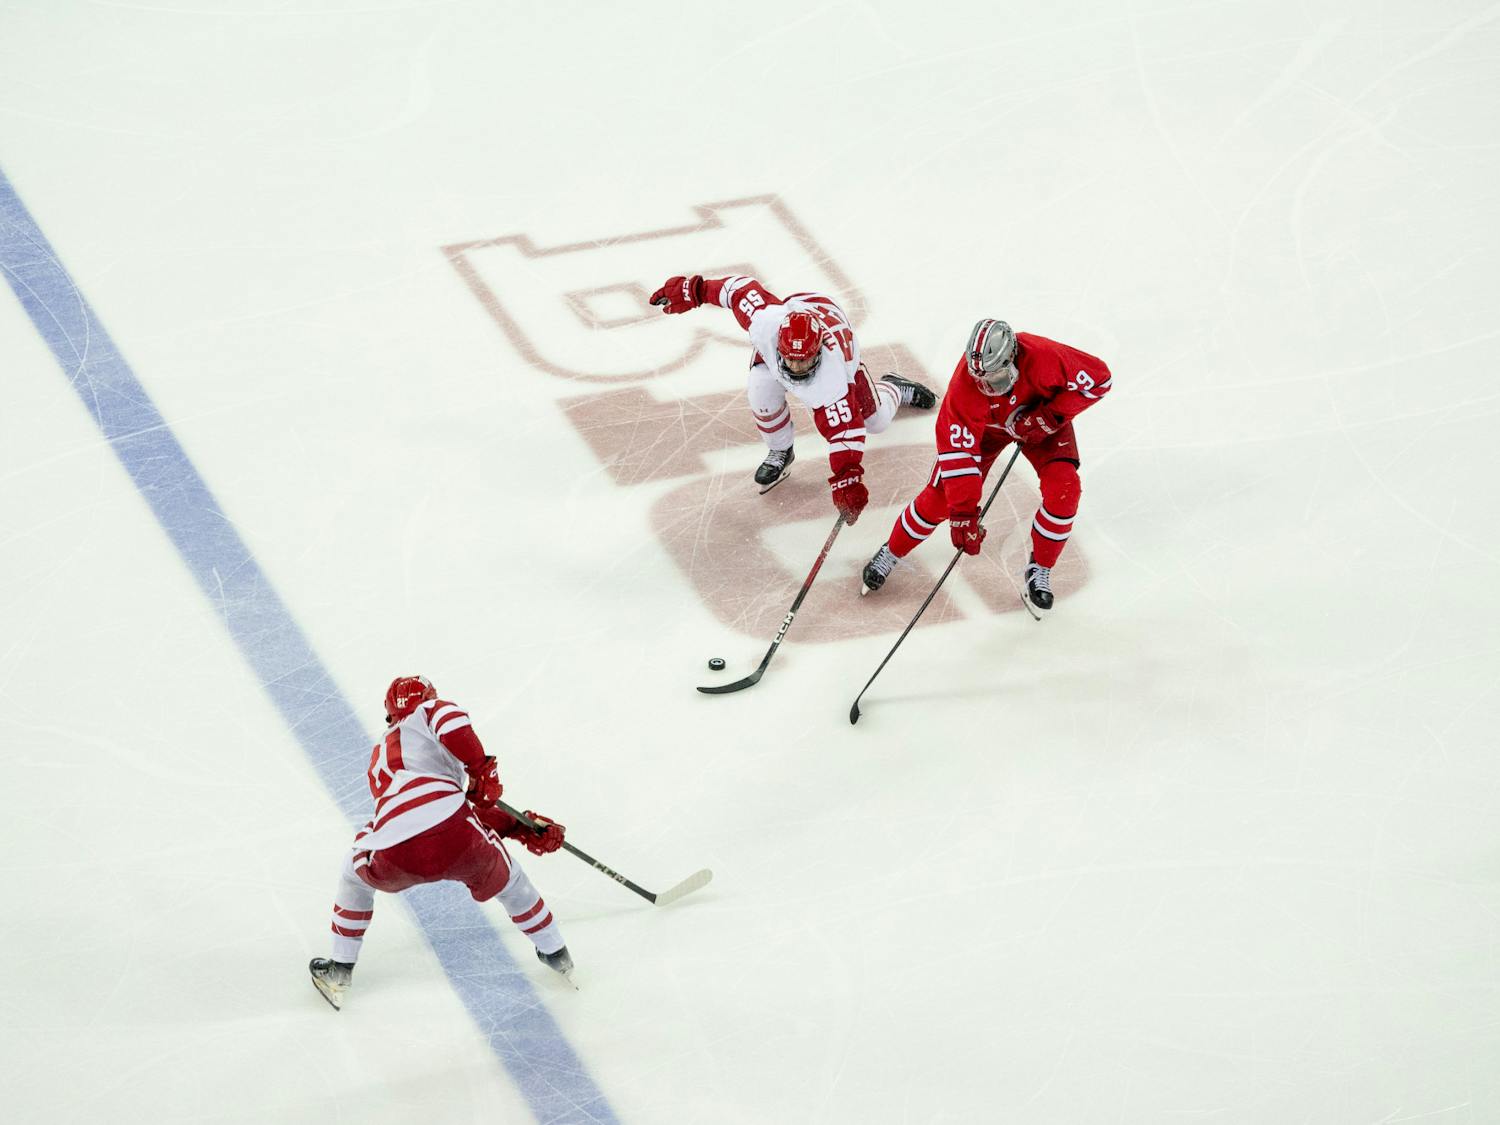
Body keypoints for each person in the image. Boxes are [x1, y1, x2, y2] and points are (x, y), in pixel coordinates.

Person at [308, 676, 571, 1010]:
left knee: (352, 874)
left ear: (390, 716)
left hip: (394, 853)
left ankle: (339, 969)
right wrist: (482, 771)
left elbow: (419, 818)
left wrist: (517, 824)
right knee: (512, 882)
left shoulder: (379, 758)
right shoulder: (427, 713)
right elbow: (446, 814)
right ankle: (557, 955)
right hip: (457, 836)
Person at [859, 319, 1112, 615]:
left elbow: (1100, 380)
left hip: (1041, 424)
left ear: (1013, 357)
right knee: (940, 501)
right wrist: (964, 515)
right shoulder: (964, 389)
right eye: (980, 380)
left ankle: (1040, 568)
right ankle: (891, 552)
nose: (987, 387)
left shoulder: (1044, 356)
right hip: (986, 433)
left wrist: (1049, 416)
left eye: (996, 377)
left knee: (1064, 491)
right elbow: (958, 456)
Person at [649, 273, 937, 524]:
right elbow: (737, 290)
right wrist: (694, 290)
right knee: (760, 392)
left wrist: (847, 481)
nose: (797, 368)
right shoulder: (766, 323)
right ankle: (781, 451)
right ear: (780, 345)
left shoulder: (834, 381)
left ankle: (895, 387)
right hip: (801, 310)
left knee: (877, 422)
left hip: (841, 343)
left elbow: (846, 435)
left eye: (804, 362)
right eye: (792, 360)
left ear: (818, 352)